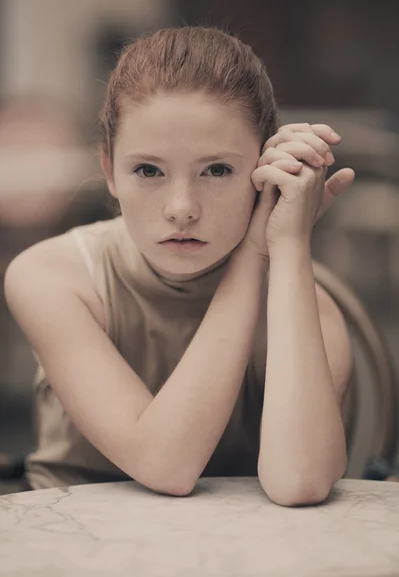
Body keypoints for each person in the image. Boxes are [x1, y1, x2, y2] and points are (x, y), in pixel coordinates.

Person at [4, 26, 355, 506]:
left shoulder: (308, 305)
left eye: (217, 170)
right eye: (148, 170)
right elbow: (166, 464)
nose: (181, 207)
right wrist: (253, 255)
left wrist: (288, 245)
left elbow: (300, 482)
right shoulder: (51, 277)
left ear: (264, 170)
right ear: (109, 171)